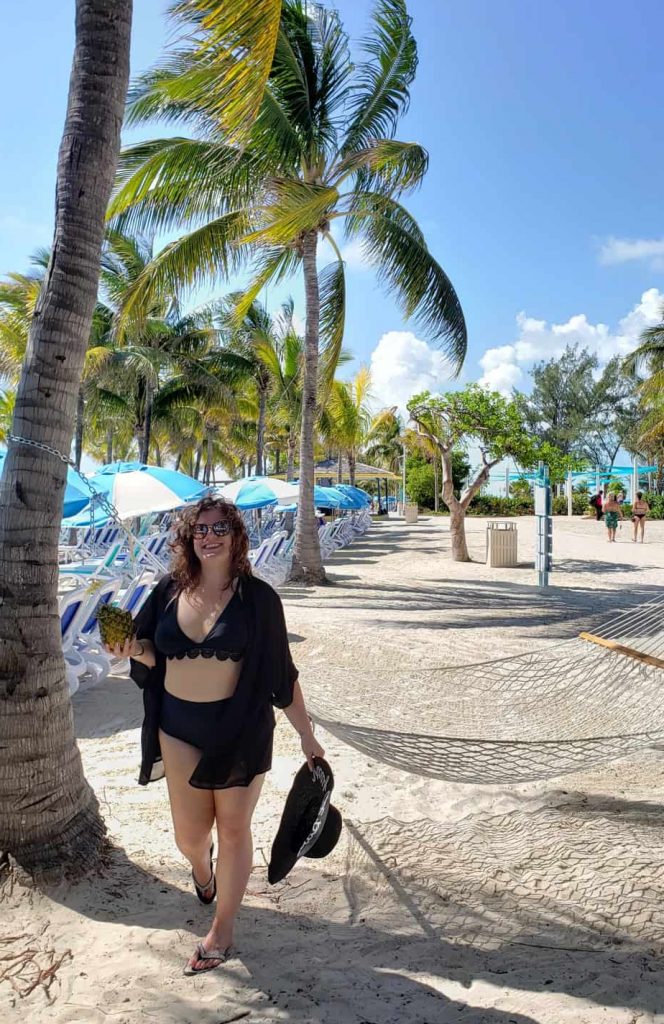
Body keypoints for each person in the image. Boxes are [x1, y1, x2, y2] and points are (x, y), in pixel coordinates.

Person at [102, 496, 325, 975]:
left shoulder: (259, 599)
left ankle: (222, 929)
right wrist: (128, 651)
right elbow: (150, 653)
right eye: (200, 529)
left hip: (240, 728)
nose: (210, 536)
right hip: (177, 728)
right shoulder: (166, 591)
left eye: (220, 528)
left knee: (233, 827)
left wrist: (306, 735)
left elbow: (282, 674)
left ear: (236, 536)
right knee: (190, 835)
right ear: (188, 538)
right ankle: (203, 872)